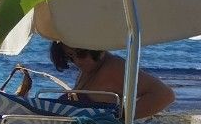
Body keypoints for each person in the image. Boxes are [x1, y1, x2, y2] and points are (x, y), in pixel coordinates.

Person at [48, 41, 176, 119]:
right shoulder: (89, 69)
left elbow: (164, 95)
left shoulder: (114, 67)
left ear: (95, 47)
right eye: (69, 56)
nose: (76, 61)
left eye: (81, 53)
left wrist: (120, 119)